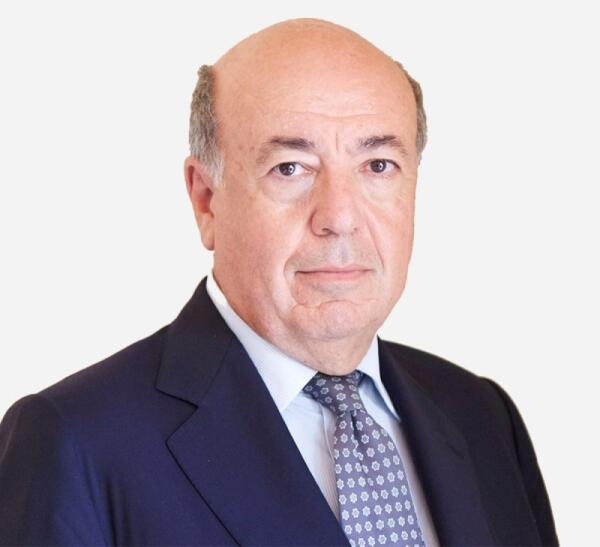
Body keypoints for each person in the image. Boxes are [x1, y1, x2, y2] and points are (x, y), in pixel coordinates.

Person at [0, 18, 557, 547]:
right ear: (206, 200)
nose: (340, 216)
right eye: (290, 168)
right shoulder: (75, 441)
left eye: (378, 165)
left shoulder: (482, 416)